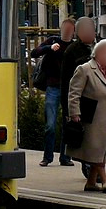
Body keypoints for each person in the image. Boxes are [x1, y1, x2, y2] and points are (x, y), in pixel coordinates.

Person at [66, 39, 106, 192]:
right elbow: (74, 93)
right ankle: (105, 180)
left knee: (99, 151)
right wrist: (75, 113)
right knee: (97, 150)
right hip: (90, 118)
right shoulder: (85, 69)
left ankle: (91, 182)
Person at [30, 18, 76, 167]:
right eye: (65, 28)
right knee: (50, 124)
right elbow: (34, 53)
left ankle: (65, 157)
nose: (67, 31)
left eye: (70, 29)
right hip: (53, 87)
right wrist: (49, 48)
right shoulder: (53, 41)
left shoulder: (74, 47)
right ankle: (47, 157)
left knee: (67, 124)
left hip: (69, 90)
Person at [61, 17, 97, 177]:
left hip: (103, 99)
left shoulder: (101, 45)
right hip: (84, 100)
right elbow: (67, 81)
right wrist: (69, 109)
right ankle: (91, 165)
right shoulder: (72, 51)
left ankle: (93, 163)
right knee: (90, 135)